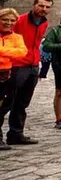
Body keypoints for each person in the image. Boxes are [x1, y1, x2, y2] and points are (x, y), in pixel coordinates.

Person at [6, 0, 52, 144]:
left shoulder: (44, 23)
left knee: (23, 102)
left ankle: (16, 134)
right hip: (17, 65)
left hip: (33, 66)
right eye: (41, 6)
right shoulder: (19, 21)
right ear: (34, 5)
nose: (44, 9)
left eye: (47, 7)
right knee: (7, 101)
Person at [0, 8, 28, 150]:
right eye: (5, 19)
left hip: (7, 75)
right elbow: (16, 52)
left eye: (12, 20)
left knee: (4, 106)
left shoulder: (17, 37)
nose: (8, 23)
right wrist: (10, 53)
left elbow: (22, 52)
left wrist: (2, 51)